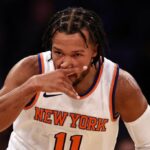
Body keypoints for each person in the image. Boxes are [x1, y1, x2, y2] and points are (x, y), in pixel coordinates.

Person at [0, 7, 149, 150]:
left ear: (94, 51)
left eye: (76, 54)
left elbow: (147, 143)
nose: (65, 63)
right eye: (58, 52)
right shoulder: (32, 70)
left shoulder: (119, 85)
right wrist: (31, 86)